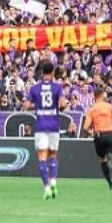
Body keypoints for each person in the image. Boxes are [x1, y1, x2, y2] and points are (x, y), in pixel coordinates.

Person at [24, 61, 67, 200]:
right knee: (53, 155)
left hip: (41, 126)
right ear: (53, 72)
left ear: (42, 73)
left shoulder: (35, 88)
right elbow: (63, 104)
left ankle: (47, 187)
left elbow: (26, 106)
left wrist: (37, 106)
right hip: (54, 125)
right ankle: (54, 180)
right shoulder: (57, 87)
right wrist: (59, 108)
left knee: (42, 157)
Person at [83, 89, 112, 190]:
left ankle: (110, 183)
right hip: (110, 133)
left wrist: (90, 132)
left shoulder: (92, 109)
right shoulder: (109, 106)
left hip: (99, 135)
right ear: (102, 96)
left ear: (94, 97)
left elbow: (85, 127)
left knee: (102, 159)